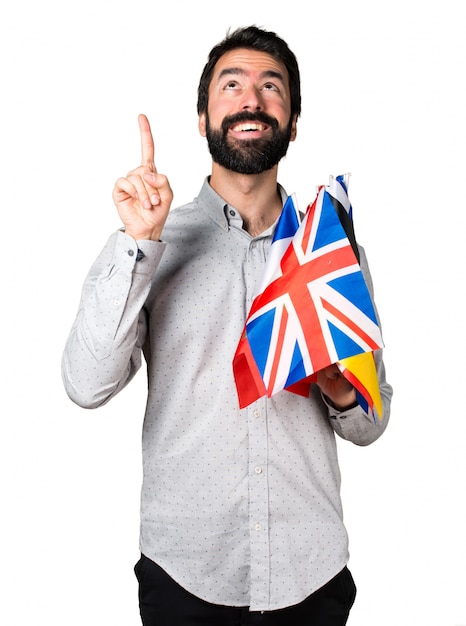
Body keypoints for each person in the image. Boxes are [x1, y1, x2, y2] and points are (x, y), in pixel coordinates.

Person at [62, 25, 392, 626]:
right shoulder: (156, 241)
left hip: (310, 575)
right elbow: (86, 385)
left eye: (272, 87)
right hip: (185, 574)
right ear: (202, 116)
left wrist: (341, 389)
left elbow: (372, 423)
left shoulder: (330, 252)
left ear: (292, 122)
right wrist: (139, 244)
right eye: (231, 85)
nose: (252, 99)